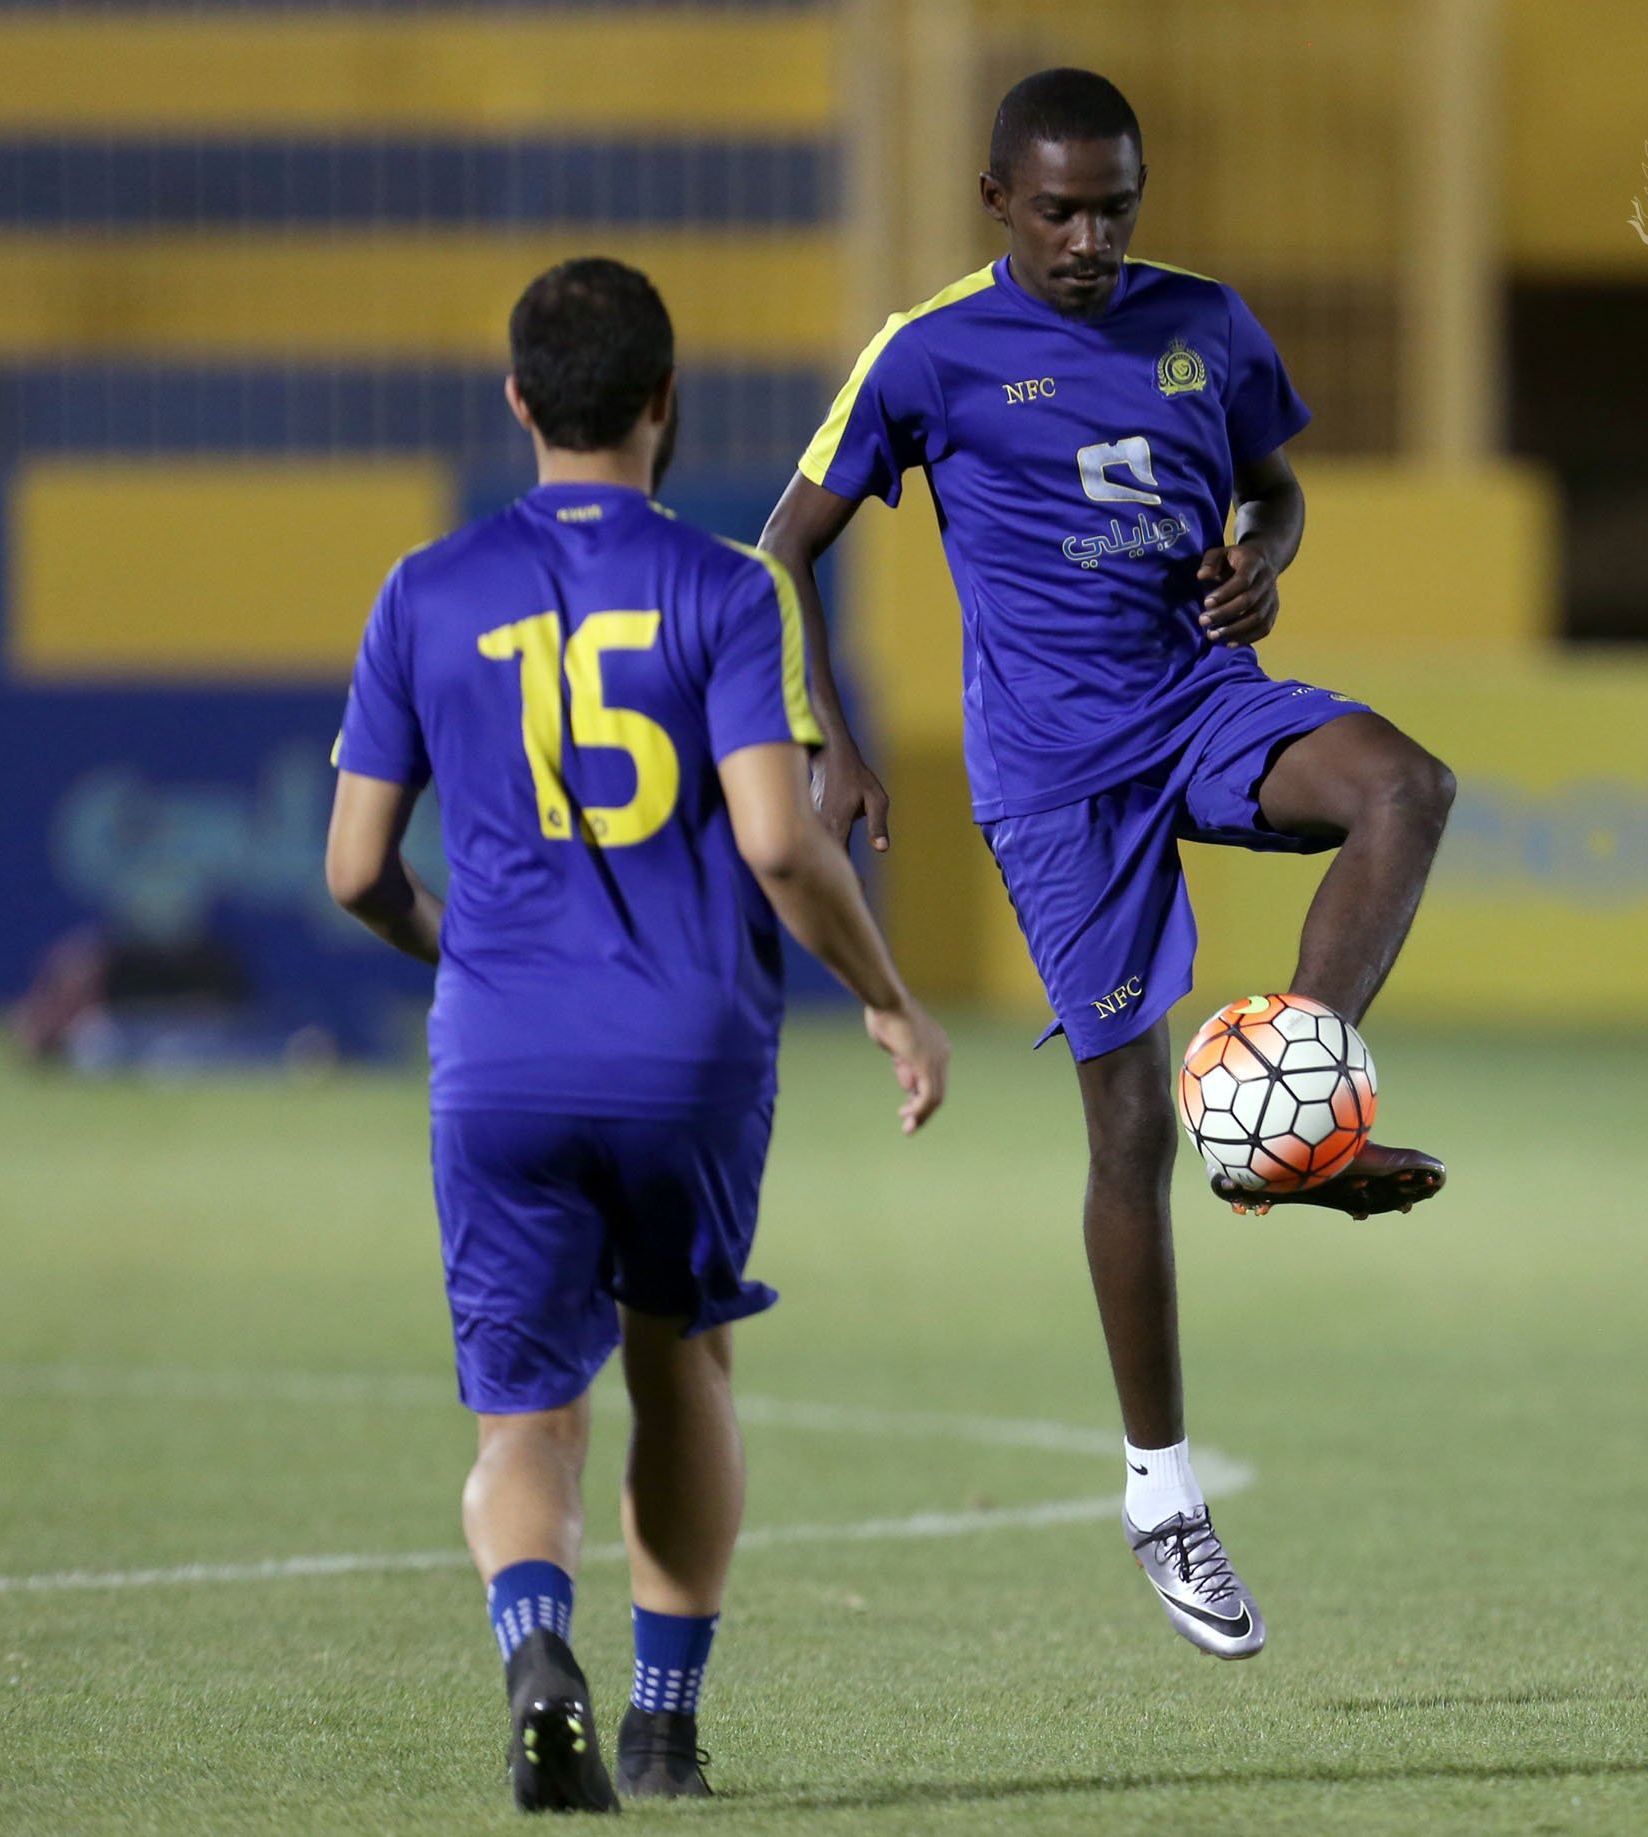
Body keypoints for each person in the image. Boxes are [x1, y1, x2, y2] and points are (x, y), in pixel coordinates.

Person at [759, 68, 1452, 1661]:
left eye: (1116, 208)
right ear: (997, 200)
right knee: (1130, 1125)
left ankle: (1294, 1103)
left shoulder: (1207, 322)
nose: (1090, 239)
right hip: (1055, 773)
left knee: (1407, 785)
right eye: (1060, 211)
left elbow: (1276, 484)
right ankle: (1161, 1495)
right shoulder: (928, 351)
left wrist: (1264, 558)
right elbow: (784, 547)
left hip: (1200, 700)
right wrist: (828, 738)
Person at [325, 256, 948, 1812]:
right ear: (670, 398)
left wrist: (466, 951)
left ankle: (538, 1646)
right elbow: (783, 843)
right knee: (686, 1368)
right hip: (687, 1055)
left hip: (501, 1057)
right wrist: (886, 995)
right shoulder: (731, 590)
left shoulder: (423, 590)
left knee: (525, 1412)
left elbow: (352, 870)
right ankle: (664, 1732)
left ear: (518, 400)